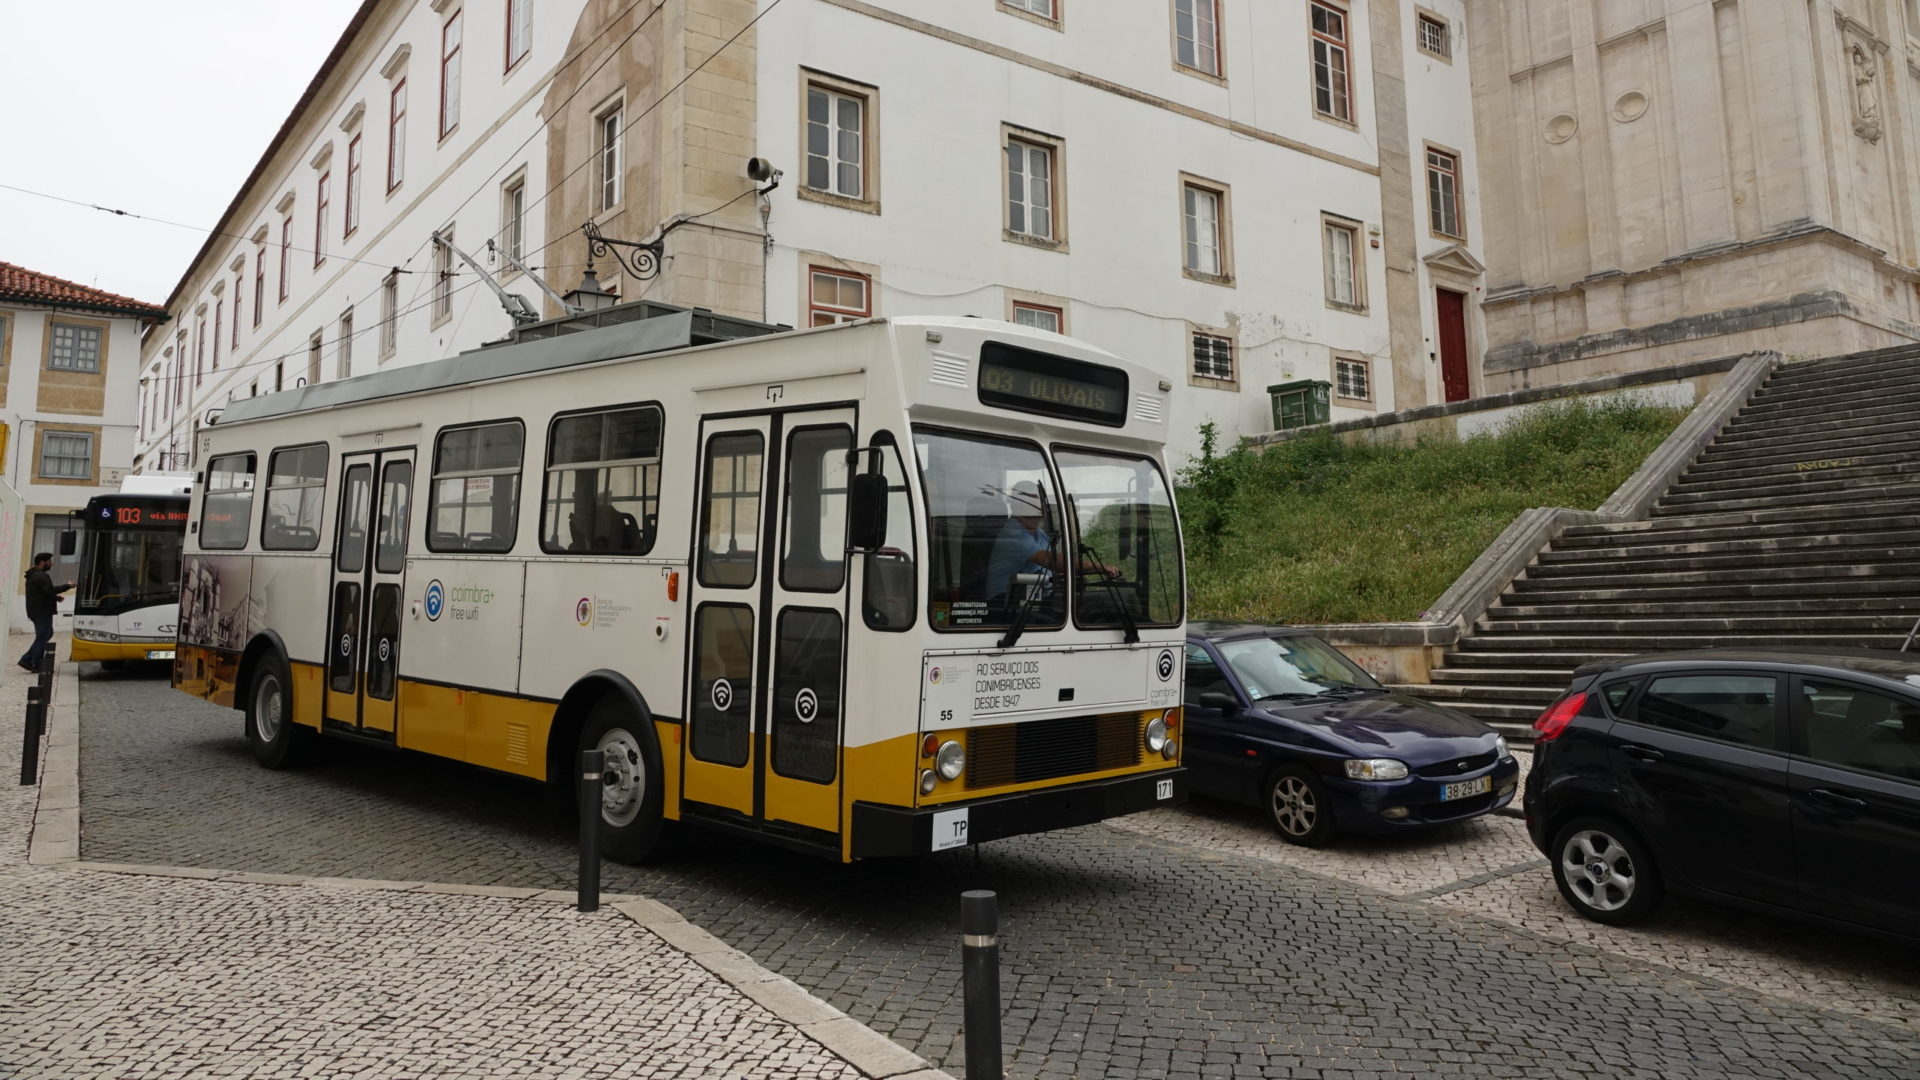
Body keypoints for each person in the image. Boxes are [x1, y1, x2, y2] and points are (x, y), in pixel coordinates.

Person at [984, 481, 1114, 612]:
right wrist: (1096, 566)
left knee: (1099, 601)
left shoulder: (1038, 533)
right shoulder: (1012, 535)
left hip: (1032, 598)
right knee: (1096, 605)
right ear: (1014, 506)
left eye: (1037, 506)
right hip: (1003, 605)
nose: (1035, 512)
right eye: (1027, 506)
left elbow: (1056, 567)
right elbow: (1054, 561)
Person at [20, 552, 72, 672]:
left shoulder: (34, 575)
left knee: (46, 634)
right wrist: (67, 586)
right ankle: (35, 663)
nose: (51, 564)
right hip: (42, 612)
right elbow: (49, 590)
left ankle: (27, 659)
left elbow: (42, 593)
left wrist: (55, 598)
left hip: (38, 611)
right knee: (42, 636)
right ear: (42, 562)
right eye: (49, 561)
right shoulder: (41, 576)